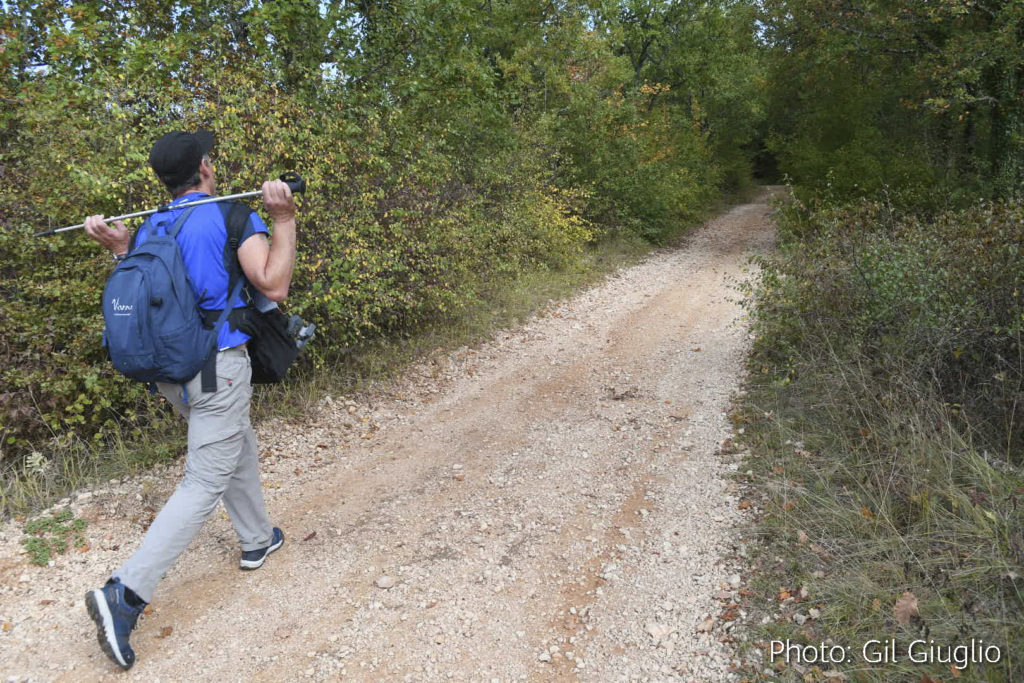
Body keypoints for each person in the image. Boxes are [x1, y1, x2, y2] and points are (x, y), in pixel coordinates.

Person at [80, 130, 298, 670]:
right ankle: (125, 594)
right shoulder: (230, 216)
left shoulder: (153, 225)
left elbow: (151, 287)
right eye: (211, 158)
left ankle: (255, 539)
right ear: (204, 168)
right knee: (205, 477)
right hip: (217, 366)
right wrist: (284, 219)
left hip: (173, 373)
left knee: (233, 444)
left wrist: (120, 250)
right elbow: (273, 285)